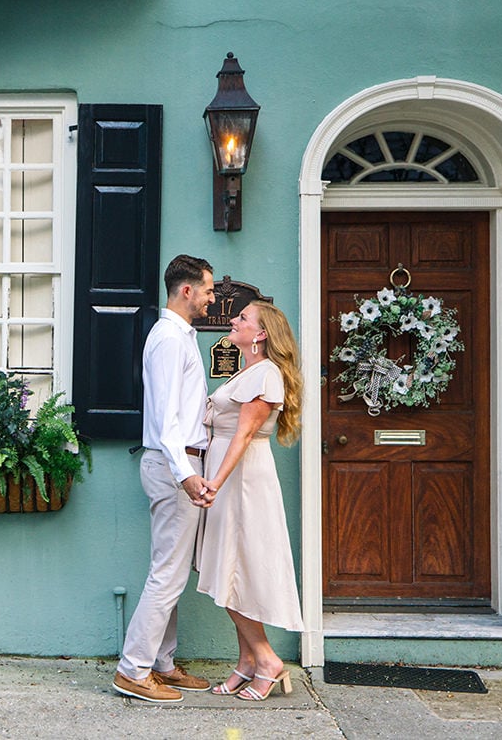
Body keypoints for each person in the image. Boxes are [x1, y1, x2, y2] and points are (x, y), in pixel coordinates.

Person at [112, 255, 218, 703]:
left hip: (180, 463)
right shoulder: (170, 339)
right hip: (175, 467)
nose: (214, 297)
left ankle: (163, 663)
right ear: (187, 291)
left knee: (170, 571)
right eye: (209, 289)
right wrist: (186, 474)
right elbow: (165, 417)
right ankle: (132, 669)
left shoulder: (180, 336)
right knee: (167, 575)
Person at [194, 300, 304, 701]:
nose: (234, 321)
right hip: (230, 474)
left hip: (241, 480)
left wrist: (214, 484)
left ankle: (267, 659)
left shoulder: (266, 375)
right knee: (231, 568)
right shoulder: (249, 371)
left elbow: (242, 436)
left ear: (260, 334)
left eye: (242, 318)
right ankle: (246, 662)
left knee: (235, 567)